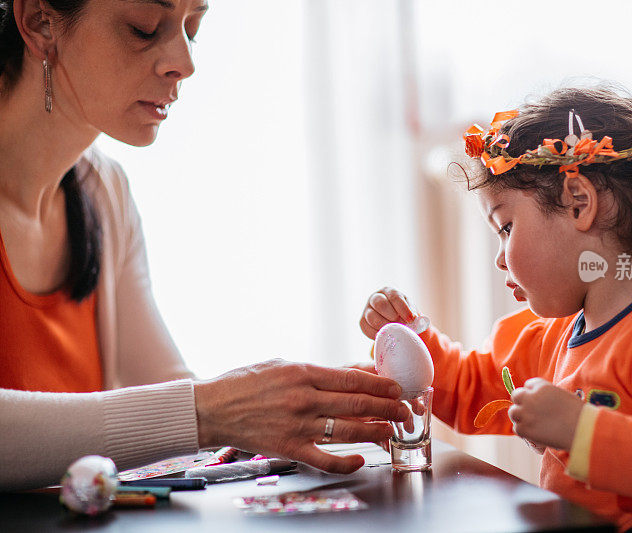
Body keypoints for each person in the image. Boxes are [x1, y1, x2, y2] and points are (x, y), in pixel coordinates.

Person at [0, 0, 409, 491]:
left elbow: (166, 400)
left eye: (192, 27)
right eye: (144, 28)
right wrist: (213, 411)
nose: (186, 63)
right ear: (40, 22)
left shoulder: (102, 192)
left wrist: (299, 403)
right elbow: (191, 412)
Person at [360, 85, 632, 532]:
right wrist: (409, 341)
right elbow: (470, 390)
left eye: (506, 226)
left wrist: (581, 433)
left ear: (579, 204)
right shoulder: (550, 333)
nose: (500, 257)